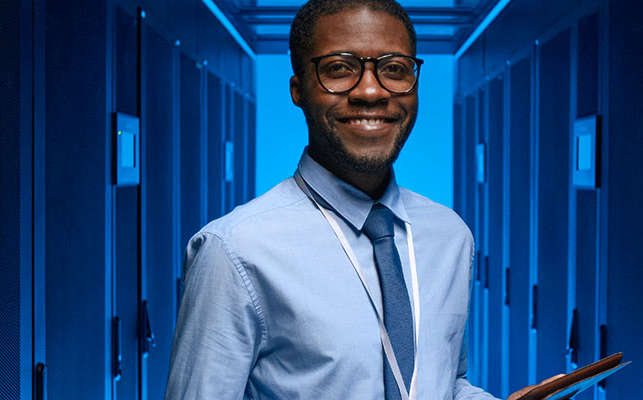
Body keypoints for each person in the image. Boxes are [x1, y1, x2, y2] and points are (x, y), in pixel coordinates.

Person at [165, 1, 557, 398]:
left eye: (394, 69)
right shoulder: (234, 251)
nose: (371, 91)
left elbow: (442, 383)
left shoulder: (450, 236)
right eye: (339, 68)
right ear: (298, 91)